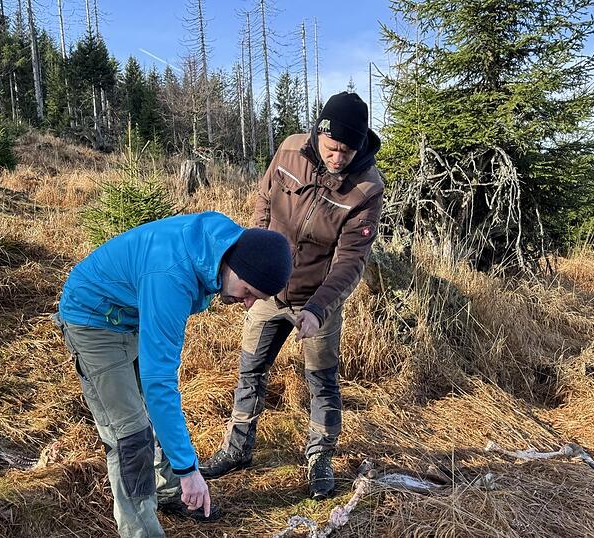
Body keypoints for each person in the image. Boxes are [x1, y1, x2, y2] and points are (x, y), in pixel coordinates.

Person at [54, 211, 292, 538]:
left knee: (153, 412)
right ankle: (141, 531)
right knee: (130, 435)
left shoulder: (221, 247)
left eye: (257, 299)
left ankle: (168, 489)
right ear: (237, 266)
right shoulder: (171, 275)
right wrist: (189, 469)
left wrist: (184, 469)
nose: (247, 303)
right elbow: (159, 384)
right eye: (248, 291)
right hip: (92, 318)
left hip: (129, 315)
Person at [200, 92, 385, 500]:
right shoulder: (288, 150)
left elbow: (351, 260)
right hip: (268, 288)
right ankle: (237, 448)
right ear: (319, 134)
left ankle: (319, 457)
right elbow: (264, 202)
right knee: (250, 369)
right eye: (332, 147)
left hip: (317, 297)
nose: (338, 158)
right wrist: (254, 261)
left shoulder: (367, 188)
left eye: (348, 150)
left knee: (321, 381)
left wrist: (319, 308)